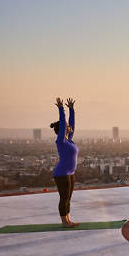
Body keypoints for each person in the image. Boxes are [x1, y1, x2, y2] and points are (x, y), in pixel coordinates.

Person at [51, 97, 79, 228]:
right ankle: (64, 222)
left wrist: (72, 109)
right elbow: (63, 123)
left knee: (68, 198)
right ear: (63, 129)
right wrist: (61, 109)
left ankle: (68, 219)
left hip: (70, 173)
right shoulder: (61, 141)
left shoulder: (69, 140)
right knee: (64, 198)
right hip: (62, 173)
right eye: (67, 126)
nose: (70, 127)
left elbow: (71, 124)